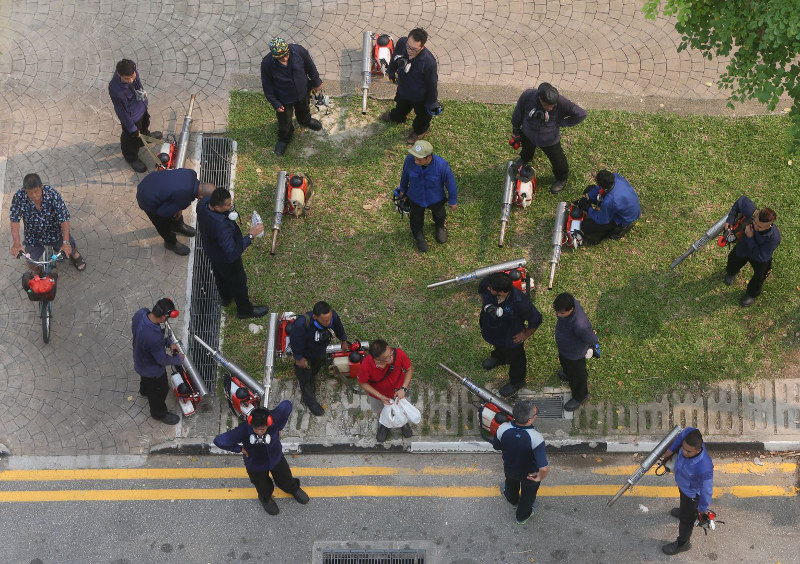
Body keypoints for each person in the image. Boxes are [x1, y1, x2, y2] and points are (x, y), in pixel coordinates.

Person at [213, 404, 309, 515]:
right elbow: (220, 441)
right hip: (256, 465)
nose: (259, 432)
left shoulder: (275, 419)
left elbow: (287, 406)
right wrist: (240, 449)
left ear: (268, 423)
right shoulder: (243, 429)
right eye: (256, 429)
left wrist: (279, 427)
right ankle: (266, 499)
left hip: (276, 458)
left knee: (285, 477)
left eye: (262, 429)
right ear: (250, 423)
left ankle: (293, 489)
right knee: (262, 486)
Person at [195, 187, 268, 319]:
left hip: (212, 251)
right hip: (227, 260)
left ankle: (226, 298)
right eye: (228, 205)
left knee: (220, 276)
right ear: (217, 207)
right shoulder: (222, 227)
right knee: (239, 283)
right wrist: (250, 236)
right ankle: (244, 311)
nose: (231, 206)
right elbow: (232, 252)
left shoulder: (202, 204)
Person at [510, 82, 587, 194]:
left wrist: (563, 123)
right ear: (540, 98)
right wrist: (516, 129)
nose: (551, 108)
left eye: (553, 106)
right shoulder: (528, 95)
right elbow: (518, 111)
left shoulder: (561, 102)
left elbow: (581, 114)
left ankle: (561, 178)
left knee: (558, 160)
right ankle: (525, 159)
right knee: (526, 149)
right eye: (548, 105)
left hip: (549, 139)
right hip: (528, 133)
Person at [479, 272, 543, 398]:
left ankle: (517, 382)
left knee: (516, 358)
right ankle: (500, 358)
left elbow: (536, 319)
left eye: (491, 289)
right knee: (498, 347)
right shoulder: (488, 283)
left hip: (510, 336)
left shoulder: (520, 302)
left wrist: (525, 334)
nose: (488, 288)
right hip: (492, 331)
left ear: (502, 292)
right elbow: (482, 291)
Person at [9, 173, 86, 272]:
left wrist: (65, 242)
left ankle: (75, 254)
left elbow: (64, 218)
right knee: (31, 263)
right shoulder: (19, 197)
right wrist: (16, 243)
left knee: (70, 246)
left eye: (36, 192)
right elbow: (14, 220)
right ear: (25, 190)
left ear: (41, 187)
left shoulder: (52, 193)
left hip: (54, 232)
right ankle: (38, 272)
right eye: (29, 193)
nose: (33, 195)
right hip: (33, 236)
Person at [260, 37, 323, 156]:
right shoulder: (267, 64)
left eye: (286, 55)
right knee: (285, 121)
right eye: (280, 58)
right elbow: (267, 85)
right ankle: (285, 138)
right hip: (283, 98)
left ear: (288, 49)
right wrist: (275, 103)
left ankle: (305, 121)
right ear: (274, 56)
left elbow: (310, 67)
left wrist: (316, 81)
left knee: (304, 110)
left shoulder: (299, 51)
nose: (284, 59)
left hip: (302, 91)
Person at [492, 400, 550, 525]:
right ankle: (522, 516)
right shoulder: (536, 437)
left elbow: (496, 446)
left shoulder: (502, 428)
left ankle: (512, 500)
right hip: (530, 474)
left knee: (511, 484)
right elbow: (544, 468)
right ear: (530, 420)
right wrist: (539, 477)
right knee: (528, 495)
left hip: (510, 467)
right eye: (535, 414)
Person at [659, 427, 714, 555]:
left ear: (698, 450)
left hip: (691, 495)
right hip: (683, 486)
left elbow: (707, 490)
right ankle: (685, 511)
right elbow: (683, 433)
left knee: (686, 521)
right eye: (683, 448)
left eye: (688, 451)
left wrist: (702, 508)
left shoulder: (704, 467)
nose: (683, 452)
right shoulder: (690, 434)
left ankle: (683, 543)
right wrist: (671, 449)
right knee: (684, 506)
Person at [380, 27, 440, 145]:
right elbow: (395, 57)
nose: (409, 51)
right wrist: (391, 71)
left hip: (420, 97)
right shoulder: (402, 42)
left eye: (414, 49)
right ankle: (398, 118)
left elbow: (432, 84)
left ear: (422, 47)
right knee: (400, 109)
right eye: (408, 46)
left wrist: (432, 103)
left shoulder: (429, 63)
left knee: (422, 118)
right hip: (403, 90)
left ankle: (420, 131)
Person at [136, 169, 216, 256]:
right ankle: (170, 243)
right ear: (201, 196)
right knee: (162, 224)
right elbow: (162, 213)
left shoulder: (191, 173)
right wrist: (174, 210)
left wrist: (177, 207)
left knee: (176, 209)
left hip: (150, 181)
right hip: (146, 198)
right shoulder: (185, 197)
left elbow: (176, 195)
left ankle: (178, 226)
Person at [289, 301, 349, 416]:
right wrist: (299, 359)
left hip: (320, 351)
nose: (327, 323)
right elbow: (296, 342)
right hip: (306, 355)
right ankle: (310, 402)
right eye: (324, 321)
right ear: (315, 317)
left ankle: (312, 376)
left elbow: (339, 327)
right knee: (305, 379)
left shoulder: (333, 316)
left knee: (315, 369)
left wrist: (343, 340)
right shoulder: (302, 324)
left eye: (329, 319)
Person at [396, 140, 457, 252]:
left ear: (428, 158)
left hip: (435, 198)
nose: (415, 160)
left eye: (419, 159)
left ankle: (440, 227)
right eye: (414, 157)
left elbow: (451, 183)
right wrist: (403, 191)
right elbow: (405, 175)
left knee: (439, 214)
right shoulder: (409, 160)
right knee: (416, 218)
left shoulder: (442, 166)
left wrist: (453, 200)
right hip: (415, 197)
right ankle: (418, 235)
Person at [131, 298, 183, 425]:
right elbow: (162, 359)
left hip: (140, 359)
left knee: (146, 382)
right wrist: (178, 359)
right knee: (160, 390)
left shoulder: (142, 313)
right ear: (163, 317)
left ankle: (144, 391)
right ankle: (158, 412)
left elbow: (154, 337)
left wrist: (169, 342)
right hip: (153, 371)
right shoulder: (152, 337)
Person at [722, 196, 780, 307]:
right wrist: (730, 219)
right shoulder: (753, 212)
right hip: (743, 247)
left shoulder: (774, 238)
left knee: (760, 276)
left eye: (760, 227)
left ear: (770, 225)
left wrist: (750, 237)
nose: (756, 226)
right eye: (755, 222)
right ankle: (731, 273)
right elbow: (741, 201)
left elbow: (761, 257)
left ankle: (752, 294)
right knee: (733, 260)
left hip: (759, 256)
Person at [108, 59, 162, 173]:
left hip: (141, 108)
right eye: (127, 79)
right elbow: (121, 111)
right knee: (130, 138)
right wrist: (131, 127)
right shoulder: (116, 90)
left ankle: (143, 139)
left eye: (132, 76)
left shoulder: (132, 68)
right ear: (119, 74)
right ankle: (131, 157)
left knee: (145, 125)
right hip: (131, 119)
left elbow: (137, 82)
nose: (131, 80)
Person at [357, 339, 414, 442]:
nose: (391, 357)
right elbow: (362, 382)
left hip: (400, 391)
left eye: (390, 353)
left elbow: (409, 369)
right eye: (387, 358)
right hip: (378, 395)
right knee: (380, 411)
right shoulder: (366, 366)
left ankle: (403, 423)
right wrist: (380, 396)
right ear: (378, 360)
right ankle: (384, 424)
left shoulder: (399, 354)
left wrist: (403, 388)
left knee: (403, 410)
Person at [553, 292, 600, 412]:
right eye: (557, 312)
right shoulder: (570, 301)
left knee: (578, 375)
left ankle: (580, 396)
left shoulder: (580, 325)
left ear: (572, 309)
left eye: (562, 313)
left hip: (575, 353)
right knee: (565, 363)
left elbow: (592, 338)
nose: (558, 315)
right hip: (565, 348)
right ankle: (568, 373)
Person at [574, 170, 641, 244]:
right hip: (627, 206)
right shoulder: (615, 176)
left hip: (624, 218)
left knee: (585, 226)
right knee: (589, 189)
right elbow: (598, 188)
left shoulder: (609, 201)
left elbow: (602, 220)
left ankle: (620, 229)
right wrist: (588, 197)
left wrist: (588, 208)